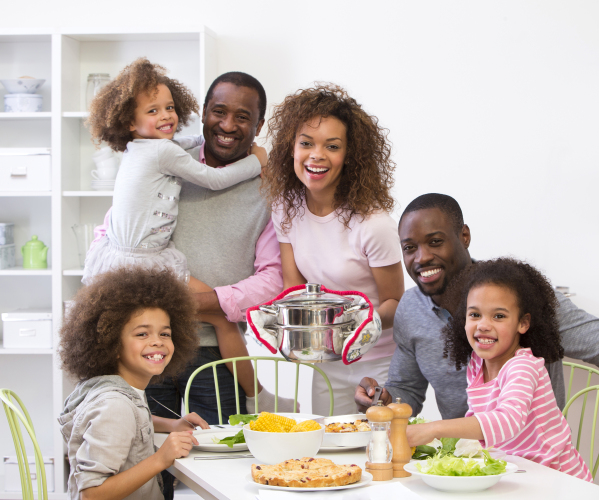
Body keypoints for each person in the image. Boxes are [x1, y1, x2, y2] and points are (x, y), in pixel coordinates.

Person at [356, 193, 599, 449]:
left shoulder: (520, 296)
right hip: (465, 463)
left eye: (436, 242)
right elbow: (407, 393)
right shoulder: (411, 310)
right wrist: (383, 399)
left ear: (464, 236)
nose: (422, 257)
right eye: (410, 248)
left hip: (536, 462)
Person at [90, 71, 290, 424]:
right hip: (144, 346)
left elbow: (274, 279)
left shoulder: (273, 190)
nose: (227, 124)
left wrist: (200, 304)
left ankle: (259, 395)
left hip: (212, 352)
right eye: (219, 111)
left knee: (221, 453)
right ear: (203, 112)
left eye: (242, 117)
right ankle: (259, 394)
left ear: (258, 127)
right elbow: (113, 230)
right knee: (146, 456)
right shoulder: (168, 158)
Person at [263, 83, 404, 415]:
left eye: (332, 146)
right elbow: (294, 289)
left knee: (379, 451)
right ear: (291, 149)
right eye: (306, 143)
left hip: (378, 359)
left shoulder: (373, 224)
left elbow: (396, 303)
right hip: (325, 359)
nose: (317, 155)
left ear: (349, 155)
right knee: (330, 451)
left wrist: (352, 330)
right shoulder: (286, 207)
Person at [407, 258, 592, 481]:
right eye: (475, 314)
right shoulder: (477, 364)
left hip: (558, 479)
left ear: (522, 323)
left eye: (499, 316)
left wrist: (435, 429)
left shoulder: (522, 367)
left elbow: (507, 421)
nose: (483, 325)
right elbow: (479, 420)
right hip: (520, 474)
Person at [58, 267, 210, 500]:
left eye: (165, 334)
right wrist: (161, 459)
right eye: (142, 334)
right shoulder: (115, 406)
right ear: (111, 343)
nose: (157, 342)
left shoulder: (114, 391)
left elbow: (130, 421)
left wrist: (172, 424)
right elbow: (91, 495)